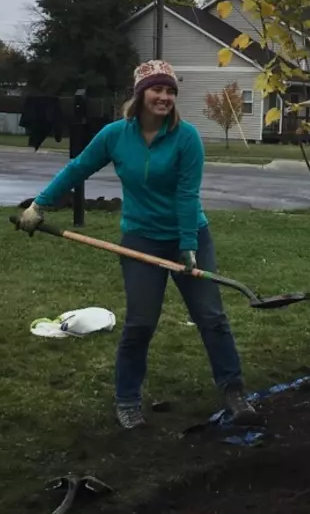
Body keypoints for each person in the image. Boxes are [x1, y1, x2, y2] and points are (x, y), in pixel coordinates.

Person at [16, 59, 259, 430]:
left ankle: (234, 392)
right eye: (157, 89)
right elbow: (78, 167)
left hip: (189, 234)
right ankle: (127, 400)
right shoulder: (116, 135)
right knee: (141, 323)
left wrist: (188, 245)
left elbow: (186, 195)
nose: (164, 97)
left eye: (170, 91)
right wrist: (39, 204)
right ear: (141, 93)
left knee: (211, 317)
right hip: (141, 239)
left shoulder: (186, 138)